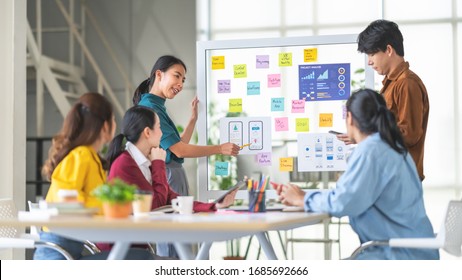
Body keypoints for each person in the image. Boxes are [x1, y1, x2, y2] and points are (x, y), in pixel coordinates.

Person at [274, 89, 438, 260]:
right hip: (414, 250)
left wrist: (302, 199)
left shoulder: (371, 150)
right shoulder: (392, 147)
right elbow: (349, 195)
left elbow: (343, 203)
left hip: (396, 255)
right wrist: (304, 195)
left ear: (350, 118)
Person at [104, 105, 237, 258]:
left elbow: (172, 198)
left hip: (136, 247)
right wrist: (158, 165)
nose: (162, 134)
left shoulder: (143, 161)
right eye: (159, 127)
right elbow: (156, 206)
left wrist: (214, 205)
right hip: (121, 252)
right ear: (147, 132)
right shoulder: (126, 164)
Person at [34, 93, 154, 260]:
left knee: (141, 256)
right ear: (105, 126)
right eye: (112, 119)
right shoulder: (82, 155)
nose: (115, 124)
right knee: (142, 259)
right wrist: (112, 207)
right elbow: (66, 201)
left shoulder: (91, 157)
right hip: (58, 257)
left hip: (70, 253)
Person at [132, 55, 240, 197]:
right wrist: (220, 148)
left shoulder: (156, 106)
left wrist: (193, 118)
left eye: (183, 80)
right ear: (159, 74)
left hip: (171, 176)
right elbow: (180, 151)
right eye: (176, 76)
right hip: (168, 177)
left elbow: (179, 145)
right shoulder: (151, 108)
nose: (180, 84)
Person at [354, 19, 429, 181]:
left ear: (388, 50)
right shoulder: (392, 84)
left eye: (372, 54)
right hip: (393, 176)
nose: (369, 61)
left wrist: (367, 134)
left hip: (402, 179)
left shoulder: (406, 83)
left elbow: (409, 134)